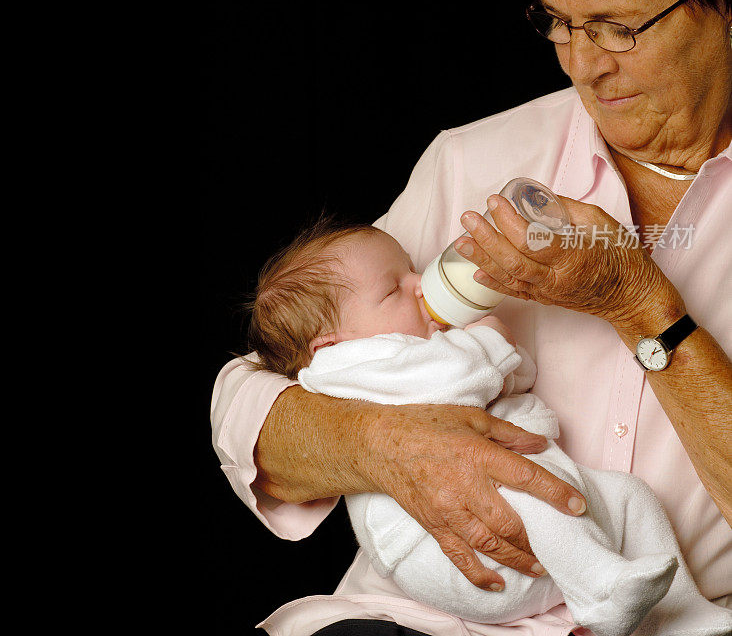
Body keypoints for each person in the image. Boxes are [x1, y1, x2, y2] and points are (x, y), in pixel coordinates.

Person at [210, 0, 732, 634]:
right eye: (559, 24)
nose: (584, 67)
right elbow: (254, 395)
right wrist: (384, 443)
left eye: (617, 27)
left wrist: (639, 303)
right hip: (424, 618)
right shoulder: (478, 159)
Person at [246, 217, 730, 636]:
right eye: (394, 288)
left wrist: (496, 359)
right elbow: (460, 377)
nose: (421, 284)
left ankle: (678, 615)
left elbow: (513, 378)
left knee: (630, 497)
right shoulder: (351, 366)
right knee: (530, 492)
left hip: (519, 548)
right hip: (449, 551)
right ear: (330, 344)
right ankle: (602, 590)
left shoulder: (391, 345)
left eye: (413, 268)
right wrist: (490, 339)